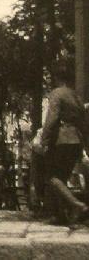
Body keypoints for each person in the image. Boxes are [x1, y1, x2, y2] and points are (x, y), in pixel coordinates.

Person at [40, 60, 89, 225]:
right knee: (62, 178)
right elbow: (83, 121)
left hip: (62, 139)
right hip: (77, 140)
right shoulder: (76, 96)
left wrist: (44, 139)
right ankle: (60, 216)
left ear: (56, 78)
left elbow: (52, 118)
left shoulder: (57, 93)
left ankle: (76, 204)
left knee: (52, 177)